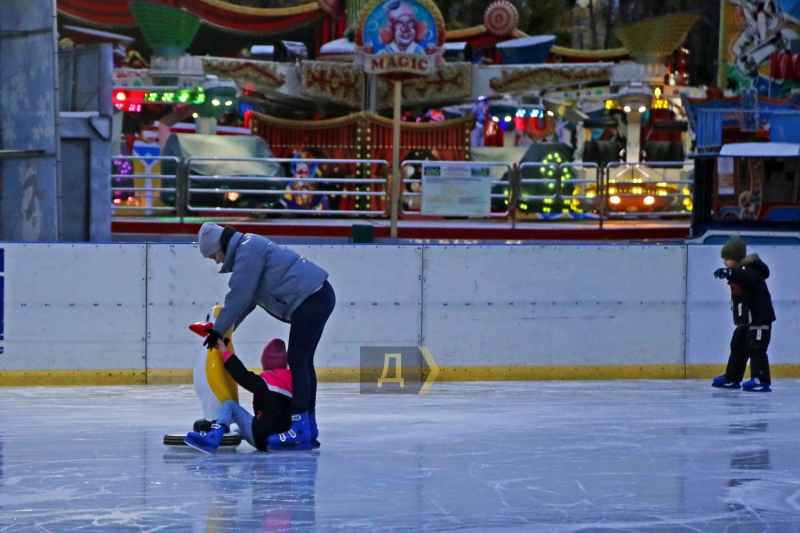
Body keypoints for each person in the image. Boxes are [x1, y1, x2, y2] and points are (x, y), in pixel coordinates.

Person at [197, 222, 336, 450]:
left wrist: (218, 331)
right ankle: (308, 429)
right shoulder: (248, 248)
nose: (217, 261)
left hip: (312, 299)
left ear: (221, 246)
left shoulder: (248, 249)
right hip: (318, 296)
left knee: (299, 362)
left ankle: (300, 428)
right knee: (303, 362)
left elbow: (239, 296)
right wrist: (228, 331)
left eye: (214, 256)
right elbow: (249, 301)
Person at [184, 339, 293, 454]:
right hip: (284, 439)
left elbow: (241, 375)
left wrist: (224, 350)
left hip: (262, 438)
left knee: (230, 405)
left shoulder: (264, 383)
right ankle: (223, 435)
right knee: (239, 429)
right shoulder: (295, 381)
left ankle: (212, 437)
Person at [712, 235, 776, 392]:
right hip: (745, 319)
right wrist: (730, 273)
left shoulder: (750, 271)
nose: (725, 262)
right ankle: (732, 378)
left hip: (759, 318)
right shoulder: (740, 271)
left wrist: (730, 273)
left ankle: (761, 380)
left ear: (738, 258)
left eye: (728, 259)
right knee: (737, 347)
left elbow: (744, 276)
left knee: (756, 349)